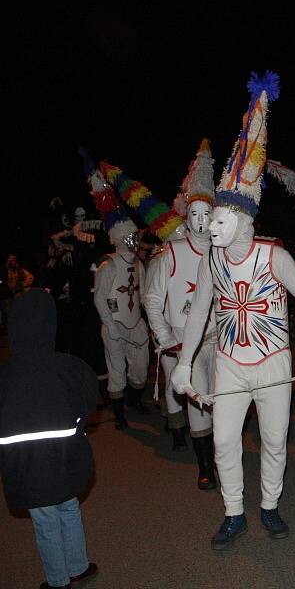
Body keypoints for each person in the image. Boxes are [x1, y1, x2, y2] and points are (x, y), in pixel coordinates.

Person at [170, 72, 295, 550]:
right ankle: (233, 511)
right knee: (225, 441)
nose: (214, 226)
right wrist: (185, 364)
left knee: (273, 442)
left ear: (244, 218)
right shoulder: (210, 259)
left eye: (222, 218)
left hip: (273, 365)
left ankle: (269, 505)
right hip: (229, 364)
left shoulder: (275, 257)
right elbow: (199, 313)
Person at [116, 140, 218, 489]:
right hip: (181, 340)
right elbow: (153, 298)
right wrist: (166, 337)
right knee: (193, 398)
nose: (202, 223)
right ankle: (204, 464)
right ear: (186, 218)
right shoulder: (170, 254)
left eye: (207, 215)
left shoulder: (222, 251)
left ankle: (219, 450)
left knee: (221, 396)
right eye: (195, 216)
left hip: (218, 340)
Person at [0, 289, 99, 589]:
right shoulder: (70, 367)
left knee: (44, 520)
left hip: (26, 464)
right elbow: (90, 398)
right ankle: (77, 566)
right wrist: (78, 422)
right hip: (65, 458)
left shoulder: (5, 376)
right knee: (68, 508)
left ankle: (58, 580)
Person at [85, 154, 150, 429]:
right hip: (115, 326)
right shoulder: (108, 264)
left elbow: (144, 294)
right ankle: (120, 414)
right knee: (117, 371)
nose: (133, 241)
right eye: (129, 237)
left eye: (134, 236)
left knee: (139, 368)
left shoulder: (139, 263)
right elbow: (99, 297)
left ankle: (135, 398)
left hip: (135, 323)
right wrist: (110, 325)